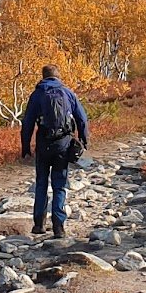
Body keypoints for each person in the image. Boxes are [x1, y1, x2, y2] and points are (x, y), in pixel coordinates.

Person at [17, 64, 89, 237]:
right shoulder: (68, 93)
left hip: (43, 145)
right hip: (63, 145)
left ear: (43, 77)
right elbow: (82, 119)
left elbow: (27, 123)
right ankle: (58, 227)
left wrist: (25, 146)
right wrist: (84, 140)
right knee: (59, 185)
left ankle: (39, 225)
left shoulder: (37, 94)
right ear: (58, 77)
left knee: (41, 183)